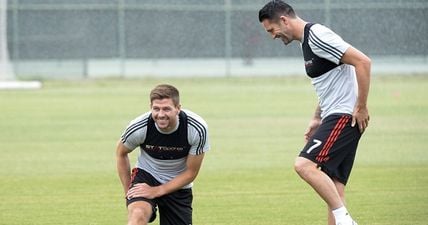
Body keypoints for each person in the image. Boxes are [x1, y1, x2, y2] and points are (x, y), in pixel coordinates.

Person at [258, 1, 371, 225]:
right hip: (334, 115)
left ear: (284, 20)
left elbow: (363, 62)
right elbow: (328, 82)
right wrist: (317, 117)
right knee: (334, 187)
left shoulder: (317, 35)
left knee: (304, 165)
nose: (272, 36)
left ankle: (347, 221)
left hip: (344, 116)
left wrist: (361, 106)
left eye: (272, 30)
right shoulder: (306, 42)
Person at [116, 84, 210, 225]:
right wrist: (129, 193)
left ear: (178, 108)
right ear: (150, 107)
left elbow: (191, 172)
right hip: (147, 175)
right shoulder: (139, 127)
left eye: (166, 109)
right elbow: (121, 153)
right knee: (137, 216)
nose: (161, 114)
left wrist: (157, 190)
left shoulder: (196, 129)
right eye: (156, 109)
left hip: (178, 183)